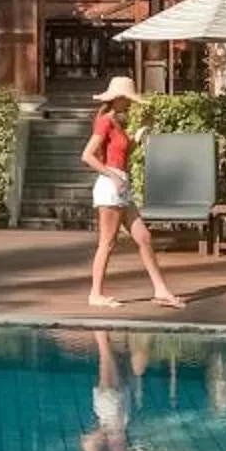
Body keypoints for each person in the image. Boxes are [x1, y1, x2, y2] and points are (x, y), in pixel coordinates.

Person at [82, 75, 185, 309]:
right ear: (118, 98)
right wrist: (112, 176)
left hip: (122, 185)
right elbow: (87, 155)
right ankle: (95, 294)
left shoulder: (118, 123)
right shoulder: (105, 122)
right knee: (107, 242)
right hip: (111, 186)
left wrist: (138, 135)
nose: (130, 103)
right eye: (127, 99)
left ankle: (161, 291)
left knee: (143, 237)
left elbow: (122, 154)